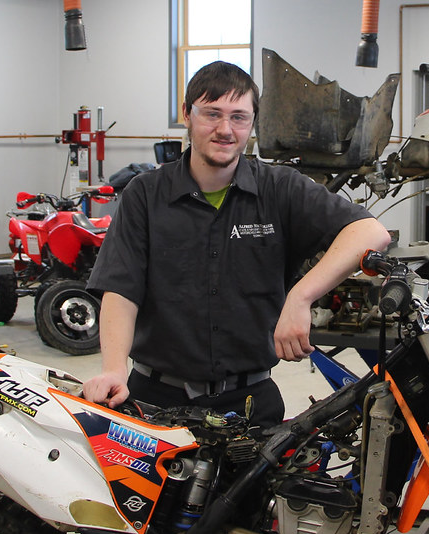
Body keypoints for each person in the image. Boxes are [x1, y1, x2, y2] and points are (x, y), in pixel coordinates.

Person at [82, 61, 391, 429]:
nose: (225, 130)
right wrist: (114, 369)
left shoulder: (280, 189)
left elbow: (370, 232)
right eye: (212, 114)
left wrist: (301, 297)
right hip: (154, 401)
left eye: (239, 117)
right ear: (187, 114)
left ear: (253, 122)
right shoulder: (145, 195)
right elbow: (120, 288)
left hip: (250, 404)